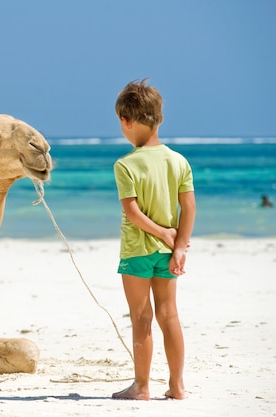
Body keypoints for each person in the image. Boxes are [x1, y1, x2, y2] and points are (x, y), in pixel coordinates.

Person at [111, 79, 196, 400]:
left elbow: (132, 213)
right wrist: (179, 246)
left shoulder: (125, 164)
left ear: (126, 121)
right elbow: (188, 207)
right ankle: (177, 386)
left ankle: (142, 386)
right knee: (169, 314)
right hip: (168, 253)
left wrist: (161, 233)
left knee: (141, 317)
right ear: (159, 118)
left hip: (136, 252)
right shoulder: (178, 161)